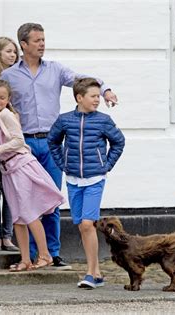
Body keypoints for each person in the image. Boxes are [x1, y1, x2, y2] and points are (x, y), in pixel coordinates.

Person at [1, 23, 118, 269]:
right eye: (37, 40)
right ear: (24, 44)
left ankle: (52, 253)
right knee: (26, 201)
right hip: (23, 146)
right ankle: (33, 254)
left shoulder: (55, 70)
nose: (42, 44)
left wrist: (104, 89)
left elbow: (82, 80)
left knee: (51, 200)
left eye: (43, 39)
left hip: (51, 142)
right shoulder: (9, 76)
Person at [48, 78, 125, 288]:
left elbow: (119, 141)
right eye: (93, 96)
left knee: (87, 223)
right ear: (79, 98)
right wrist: (63, 163)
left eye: (98, 96)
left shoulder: (103, 120)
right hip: (73, 179)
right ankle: (97, 273)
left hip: (95, 179)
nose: (97, 100)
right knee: (82, 227)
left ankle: (90, 273)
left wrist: (106, 165)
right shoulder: (65, 120)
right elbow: (52, 141)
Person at [0, 80, 65, 271]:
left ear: (8, 99)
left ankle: (45, 255)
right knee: (16, 216)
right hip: (7, 170)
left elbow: (19, 140)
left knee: (28, 212)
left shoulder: (6, 115)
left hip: (20, 165)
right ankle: (25, 259)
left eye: (2, 97)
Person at [0, 37, 20, 252]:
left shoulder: (15, 80)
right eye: (8, 51)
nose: (13, 56)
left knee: (9, 194)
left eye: (15, 52)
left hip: (8, 151)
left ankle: (7, 236)